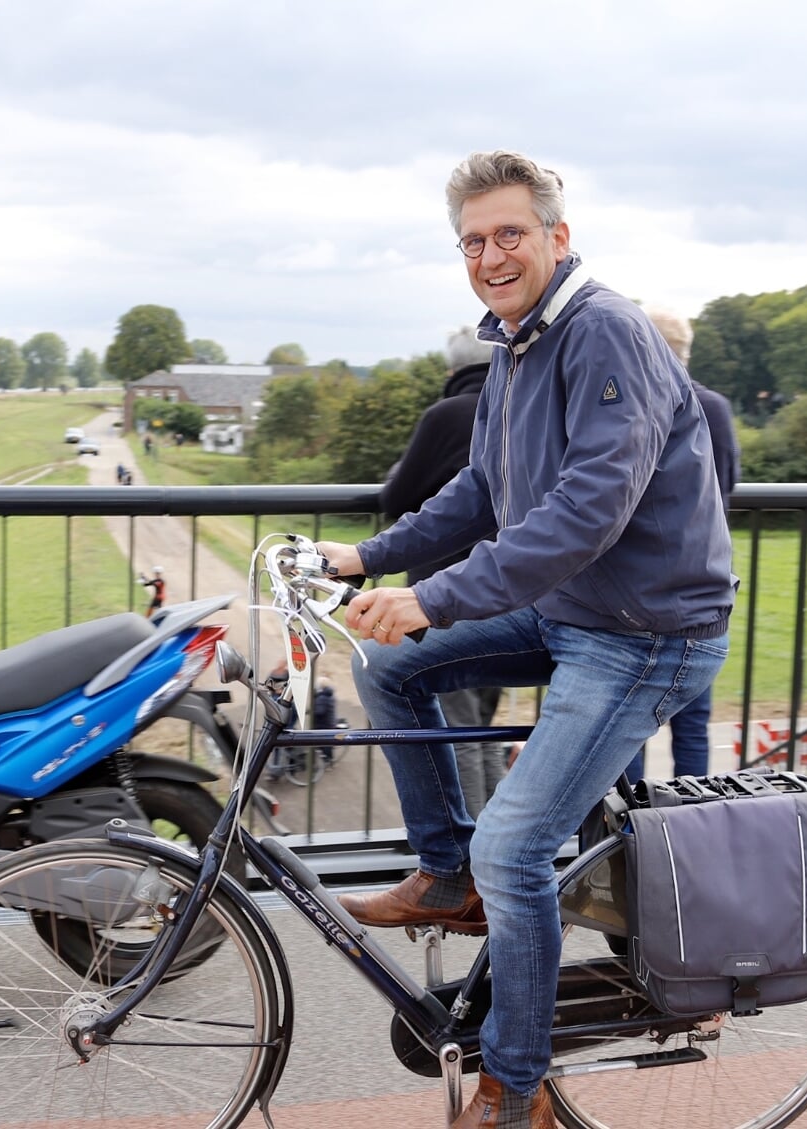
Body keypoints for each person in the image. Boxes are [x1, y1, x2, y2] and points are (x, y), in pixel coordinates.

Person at [318, 151, 734, 1129]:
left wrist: (437, 597)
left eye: (508, 233)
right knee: (384, 662)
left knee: (518, 844)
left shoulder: (606, 335)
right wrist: (366, 558)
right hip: (574, 609)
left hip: (645, 632)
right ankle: (446, 871)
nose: (489, 254)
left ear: (556, 235)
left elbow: (585, 511)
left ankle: (516, 1085)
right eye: (471, 240)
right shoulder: (515, 339)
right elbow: (479, 489)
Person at [380, 325, 506, 815]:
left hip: (444, 594)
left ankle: (472, 862)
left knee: (457, 729)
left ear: (453, 370)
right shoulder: (520, 407)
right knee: (485, 727)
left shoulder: (447, 415)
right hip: (508, 590)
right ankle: (496, 844)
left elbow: (397, 494)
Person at [635, 307, 740, 780]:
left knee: (626, 718)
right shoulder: (712, 406)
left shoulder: (634, 403)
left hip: (640, 583)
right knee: (694, 721)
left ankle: (623, 824)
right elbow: (728, 482)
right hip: (703, 579)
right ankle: (689, 821)